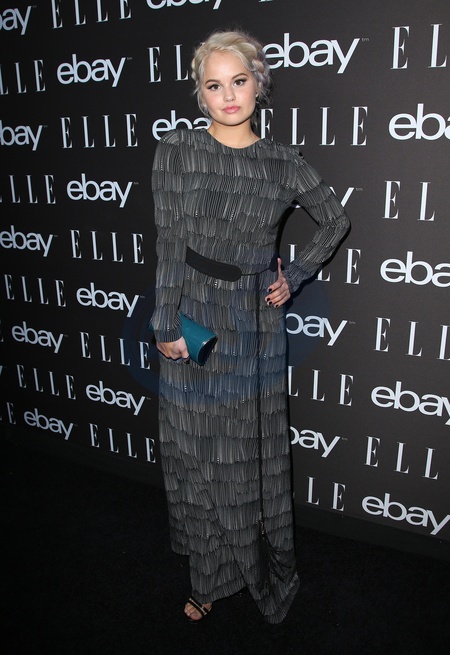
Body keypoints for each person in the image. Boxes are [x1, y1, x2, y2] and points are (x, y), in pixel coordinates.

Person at [150, 29, 350, 624]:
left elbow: (334, 221)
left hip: (252, 325)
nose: (228, 96)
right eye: (214, 86)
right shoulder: (178, 150)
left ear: (258, 84)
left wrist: (297, 276)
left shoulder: (282, 161)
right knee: (193, 453)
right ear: (200, 94)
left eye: (239, 81)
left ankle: (248, 570)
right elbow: (169, 242)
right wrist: (166, 321)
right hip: (191, 310)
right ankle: (207, 576)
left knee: (241, 463)